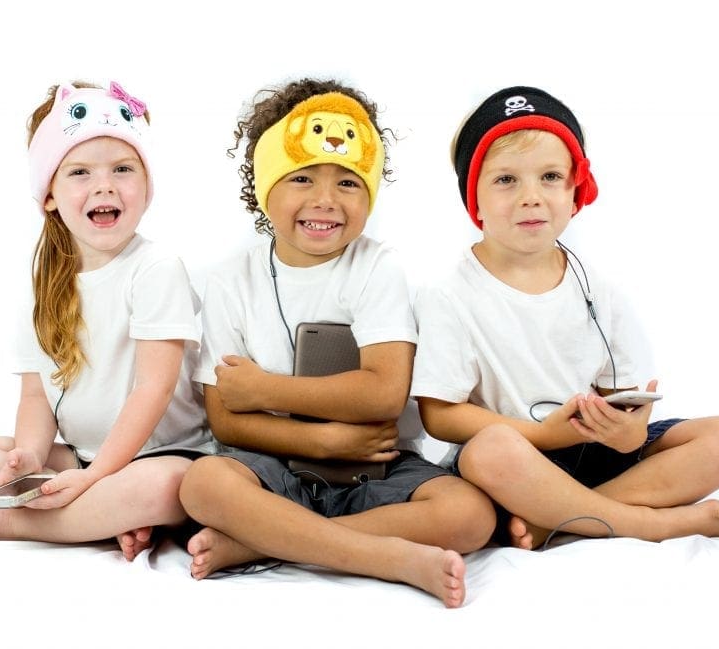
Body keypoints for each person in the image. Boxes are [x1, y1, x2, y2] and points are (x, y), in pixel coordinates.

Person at [177, 78, 495, 609]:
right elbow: (227, 421)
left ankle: (264, 540)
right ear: (263, 187)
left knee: (471, 513)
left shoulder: (376, 267)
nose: (325, 201)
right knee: (202, 483)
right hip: (271, 462)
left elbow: (384, 394)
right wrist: (327, 443)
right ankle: (385, 556)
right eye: (301, 178)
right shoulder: (231, 280)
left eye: (348, 183)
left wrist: (264, 389)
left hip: (377, 461)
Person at [412, 86, 719, 549]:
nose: (531, 197)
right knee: (490, 451)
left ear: (575, 192)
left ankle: (560, 520)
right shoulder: (447, 295)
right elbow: (440, 416)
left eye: (550, 176)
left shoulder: (600, 290)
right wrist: (539, 435)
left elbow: (624, 398)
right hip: (515, 462)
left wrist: (629, 433)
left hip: (592, 451)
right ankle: (647, 523)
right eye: (506, 180)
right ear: (475, 199)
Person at [0, 80, 212, 561]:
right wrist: (31, 456)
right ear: (50, 197)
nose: (104, 185)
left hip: (166, 453)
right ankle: (100, 517)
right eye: (80, 172)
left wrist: (97, 475)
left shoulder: (155, 268)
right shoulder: (45, 286)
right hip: (83, 454)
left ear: (146, 188)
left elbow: (154, 388)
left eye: (123, 169)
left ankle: (18, 524)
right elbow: (37, 397)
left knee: (168, 486)